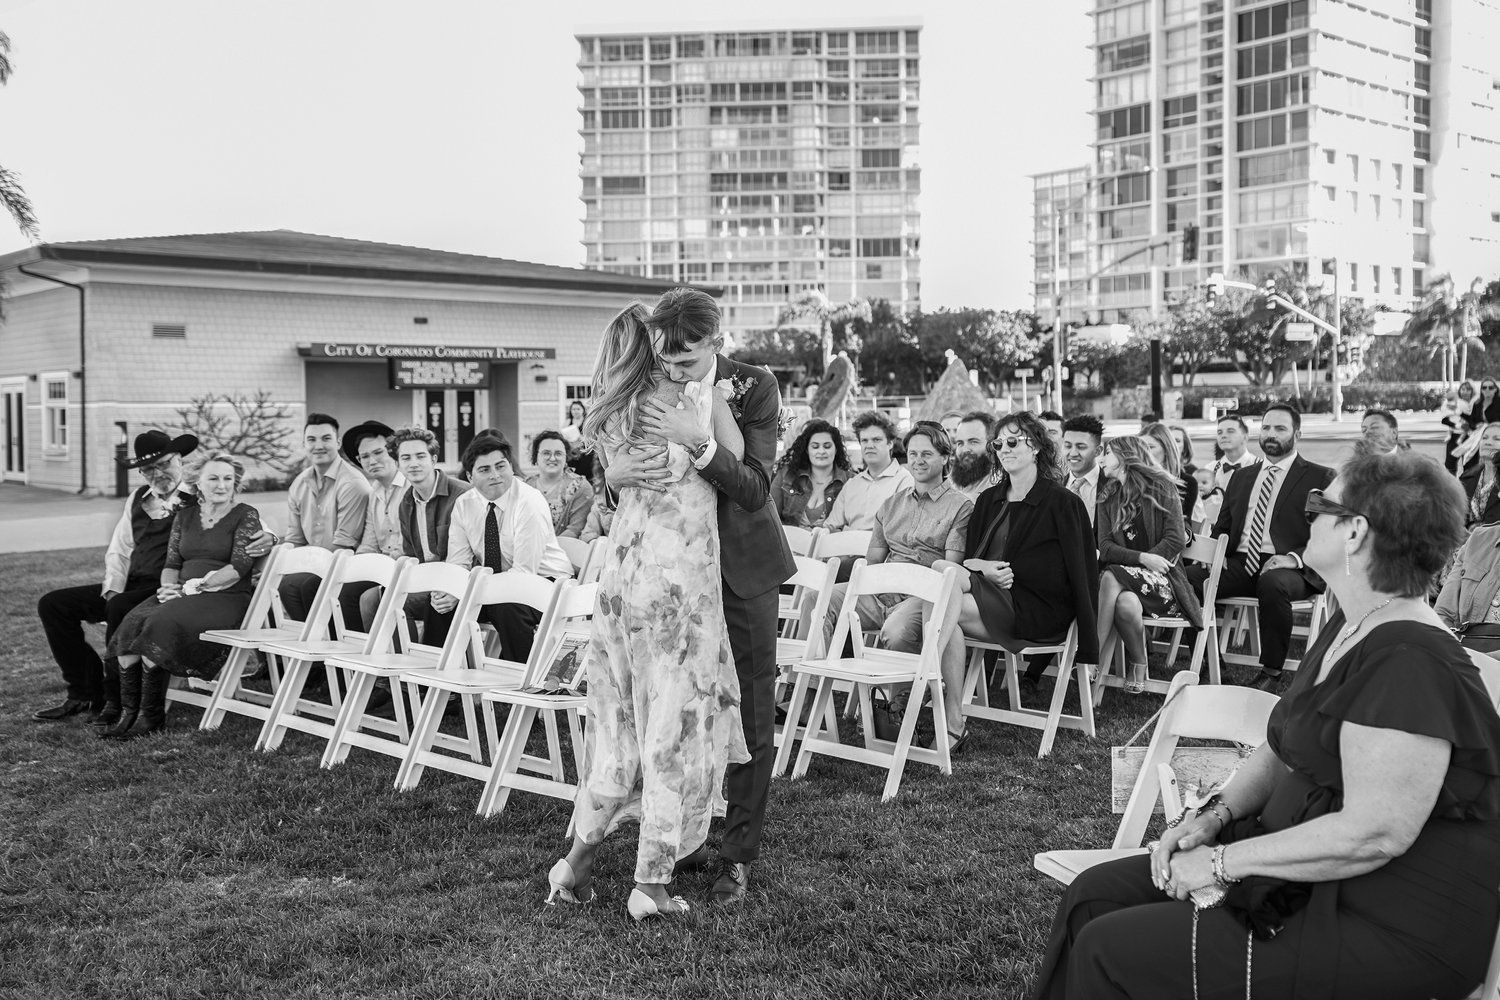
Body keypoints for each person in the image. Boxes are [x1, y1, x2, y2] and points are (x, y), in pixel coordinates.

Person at [1033, 450, 1500, 1000]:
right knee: (1093, 897)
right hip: (1300, 868)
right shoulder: (1352, 625)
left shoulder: (1412, 659)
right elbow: (1281, 749)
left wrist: (1222, 861)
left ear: (1354, 533)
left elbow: (1376, 833)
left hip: (1385, 917)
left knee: (1110, 949)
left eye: (1318, 504)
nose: (1308, 515)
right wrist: (1215, 816)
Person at [550, 290, 793, 917]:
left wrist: (701, 442)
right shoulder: (655, 393)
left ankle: (732, 854)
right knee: (674, 722)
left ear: (716, 342)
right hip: (679, 590)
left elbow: (757, 488)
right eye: (664, 357)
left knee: (744, 718)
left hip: (730, 575)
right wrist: (615, 478)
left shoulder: (751, 386)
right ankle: (661, 864)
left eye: (684, 360)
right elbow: (616, 483)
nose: (674, 368)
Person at [32, 431, 200, 724]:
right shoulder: (138, 498)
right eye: (148, 469)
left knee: (120, 606)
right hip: (132, 584)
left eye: (164, 464)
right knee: (54, 604)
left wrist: (268, 536)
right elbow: (120, 551)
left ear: (179, 460)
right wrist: (111, 589)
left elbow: (247, 526)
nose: (157, 473)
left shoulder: (200, 495)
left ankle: (117, 698)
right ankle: (84, 692)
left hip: (170, 590)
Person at [819, 424, 972, 746]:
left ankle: (901, 707)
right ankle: (813, 698)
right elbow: (873, 561)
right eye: (913, 453)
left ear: (945, 458)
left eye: (927, 454)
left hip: (923, 593)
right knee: (817, 600)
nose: (917, 460)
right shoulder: (891, 504)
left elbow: (950, 565)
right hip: (881, 588)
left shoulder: (961, 506)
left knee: (897, 631)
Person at [934, 412, 1099, 697]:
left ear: (1035, 446)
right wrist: (983, 567)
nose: (1004, 450)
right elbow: (972, 559)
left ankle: (927, 684)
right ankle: (951, 714)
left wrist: (1088, 644)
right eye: (998, 445)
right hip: (987, 593)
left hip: (1036, 609)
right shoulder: (989, 499)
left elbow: (1082, 572)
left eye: (1013, 442)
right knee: (942, 580)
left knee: (940, 602)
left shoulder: (1063, 503)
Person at [101, 453, 263, 739]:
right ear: (198, 483)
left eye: (228, 479)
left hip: (224, 596)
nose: (221, 485)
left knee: (158, 625)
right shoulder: (185, 516)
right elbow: (172, 564)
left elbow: (238, 568)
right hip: (183, 594)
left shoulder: (245, 515)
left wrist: (197, 586)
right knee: (130, 624)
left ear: (235, 483)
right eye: (213, 478)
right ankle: (129, 712)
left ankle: (151, 715)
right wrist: (167, 588)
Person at [1192, 403, 1335, 691]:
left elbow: (1331, 534)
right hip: (1240, 560)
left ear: (1297, 434)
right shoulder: (1243, 477)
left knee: (1273, 583)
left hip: (1291, 567)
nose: (1271, 434)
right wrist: (1209, 556)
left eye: (1280, 428)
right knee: (1188, 579)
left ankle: (1271, 671)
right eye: (1267, 427)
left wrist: (1294, 559)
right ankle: (1210, 661)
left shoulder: (1320, 478)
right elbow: (1223, 526)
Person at [441, 430, 571, 660]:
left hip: (546, 584)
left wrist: (475, 590)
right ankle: (445, 686)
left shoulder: (528, 501)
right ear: (470, 477)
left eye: (501, 466)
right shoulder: (464, 504)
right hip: (495, 584)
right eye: (484, 470)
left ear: (511, 467)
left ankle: (521, 684)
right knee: (442, 605)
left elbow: (523, 575)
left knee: (507, 607)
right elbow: (458, 562)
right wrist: (451, 589)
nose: (495, 475)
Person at [1094, 436, 1202, 694]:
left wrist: (1146, 567)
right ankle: (1140, 663)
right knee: (1125, 603)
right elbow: (1105, 547)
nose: (1101, 460)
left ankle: (1091, 656)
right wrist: (1141, 560)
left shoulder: (1162, 487)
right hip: (1127, 582)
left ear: (1125, 456)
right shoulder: (1108, 496)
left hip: (1163, 583)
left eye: (1107, 453)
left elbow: (1175, 538)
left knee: (1109, 577)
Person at [263, 413, 371, 628]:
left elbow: (344, 543)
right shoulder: (300, 483)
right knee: (274, 585)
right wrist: (279, 568)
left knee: (299, 585)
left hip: (347, 562)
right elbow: (295, 539)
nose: (318, 445)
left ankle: (325, 646)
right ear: (304, 444)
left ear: (337, 442)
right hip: (313, 563)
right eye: (311, 440)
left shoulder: (352, 483)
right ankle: (305, 651)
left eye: (326, 438)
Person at [383, 426, 471, 640]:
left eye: (420, 456)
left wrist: (456, 588)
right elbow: (413, 556)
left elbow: (479, 553)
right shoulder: (406, 503)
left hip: (462, 582)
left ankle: (424, 666)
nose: (413, 463)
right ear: (398, 465)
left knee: (401, 601)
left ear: (433, 459)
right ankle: (401, 665)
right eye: (406, 458)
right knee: (382, 597)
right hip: (428, 581)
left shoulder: (463, 495)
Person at [346, 420, 407, 628]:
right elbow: (369, 543)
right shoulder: (374, 494)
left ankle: (379, 654)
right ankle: (354, 653)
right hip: (381, 569)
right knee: (341, 587)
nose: (372, 460)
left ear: (392, 451)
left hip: (406, 567)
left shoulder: (410, 486)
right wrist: (353, 568)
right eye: (365, 456)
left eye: (378, 452)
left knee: (363, 597)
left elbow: (410, 544)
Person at [823, 411, 914, 532]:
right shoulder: (851, 485)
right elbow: (830, 527)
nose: (869, 445)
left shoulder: (904, 481)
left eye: (876, 440)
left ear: (890, 443)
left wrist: (847, 531)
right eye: (864, 440)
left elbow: (899, 531)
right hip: (845, 548)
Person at [770, 417, 851, 529]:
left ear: (836, 449)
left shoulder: (851, 481)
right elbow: (770, 518)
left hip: (834, 545)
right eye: (815, 446)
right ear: (807, 450)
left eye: (827, 446)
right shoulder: (786, 475)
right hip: (791, 544)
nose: (821, 451)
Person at [529, 430, 592, 539]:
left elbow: (574, 530)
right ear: (536, 457)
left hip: (566, 551)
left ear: (566, 457)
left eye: (558, 453)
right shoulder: (526, 486)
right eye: (546, 453)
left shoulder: (580, 487)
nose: (552, 458)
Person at [1141, 421, 1198, 524]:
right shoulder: (1133, 478)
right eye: (1141, 447)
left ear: (1167, 449)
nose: (1144, 452)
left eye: (1150, 447)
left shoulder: (1187, 482)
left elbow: (1185, 524)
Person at [1061, 414, 1104, 527]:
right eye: (1068, 446)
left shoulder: (1114, 486)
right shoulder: (1054, 486)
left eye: (1081, 447)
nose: (1073, 453)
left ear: (1098, 451)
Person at [950, 410, 1000, 501]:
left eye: (973, 442)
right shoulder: (948, 484)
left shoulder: (1001, 490)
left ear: (993, 445)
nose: (965, 449)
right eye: (960, 443)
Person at [1211, 414, 1259, 490]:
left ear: (1245, 437)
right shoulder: (1210, 469)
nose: (1223, 436)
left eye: (1230, 431)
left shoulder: (1261, 467)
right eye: (1219, 432)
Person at [560, 399, 596, 481]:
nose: (575, 411)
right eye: (573, 409)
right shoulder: (567, 422)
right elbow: (562, 436)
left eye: (578, 409)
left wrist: (581, 438)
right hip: (572, 453)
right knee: (572, 475)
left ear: (583, 410)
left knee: (586, 475)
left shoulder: (588, 421)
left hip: (585, 452)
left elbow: (593, 437)